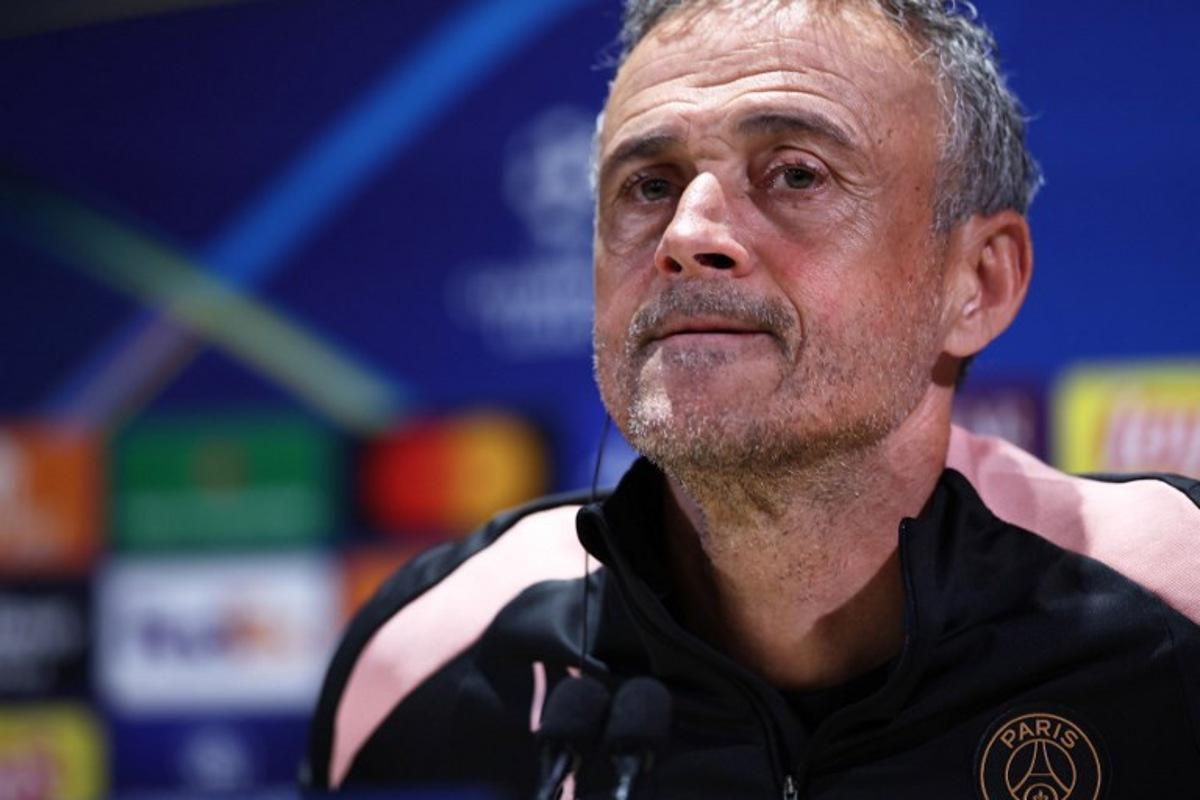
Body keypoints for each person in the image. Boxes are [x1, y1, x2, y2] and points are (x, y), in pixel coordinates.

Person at [304, 1, 1200, 796]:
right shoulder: (427, 661)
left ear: (978, 283)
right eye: (649, 186)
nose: (687, 233)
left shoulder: (1174, 608)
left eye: (796, 173)